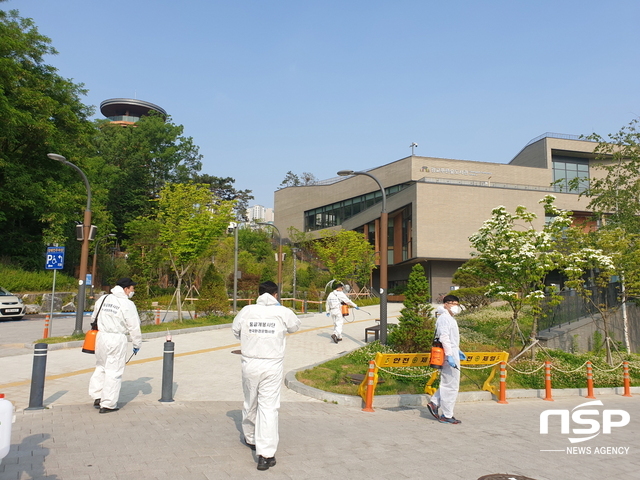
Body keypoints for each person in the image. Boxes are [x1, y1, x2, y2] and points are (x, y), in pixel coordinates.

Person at [232, 281, 301, 471]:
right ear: (275, 295)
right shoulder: (283, 312)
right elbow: (295, 327)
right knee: (268, 407)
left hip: (250, 363)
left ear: (259, 294)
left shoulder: (246, 310)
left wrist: (251, 338)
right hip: (272, 364)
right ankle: (265, 454)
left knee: (250, 401)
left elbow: (236, 330)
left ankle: (251, 438)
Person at [88, 278, 142, 414]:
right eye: (132, 288)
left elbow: (93, 318)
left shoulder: (103, 299)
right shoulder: (127, 304)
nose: (133, 291)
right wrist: (137, 344)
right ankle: (108, 404)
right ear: (125, 289)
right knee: (114, 370)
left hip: (101, 337)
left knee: (101, 367)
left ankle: (97, 396)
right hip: (116, 338)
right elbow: (134, 326)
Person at [427, 294, 466, 424]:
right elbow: (444, 337)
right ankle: (447, 414)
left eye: (457, 304)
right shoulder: (444, 318)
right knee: (451, 385)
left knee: (449, 383)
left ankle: (434, 403)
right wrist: (450, 355)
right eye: (453, 303)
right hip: (448, 353)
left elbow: (451, 338)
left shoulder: (449, 318)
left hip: (452, 351)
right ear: (446, 304)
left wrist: (457, 351)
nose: (456, 307)